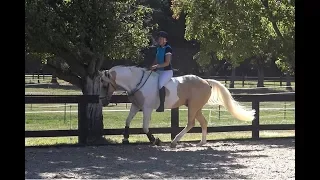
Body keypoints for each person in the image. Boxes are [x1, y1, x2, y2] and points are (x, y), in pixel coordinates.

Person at [150, 31, 173, 112]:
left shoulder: (168, 48)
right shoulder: (158, 48)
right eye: (158, 39)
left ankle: (162, 105)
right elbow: (156, 59)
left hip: (167, 72)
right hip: (159, 71)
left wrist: (157, 66)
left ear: (165, 40)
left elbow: (167, 63)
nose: (159, 40)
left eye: (161, 39)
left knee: (160, 84)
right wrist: (152, 66)